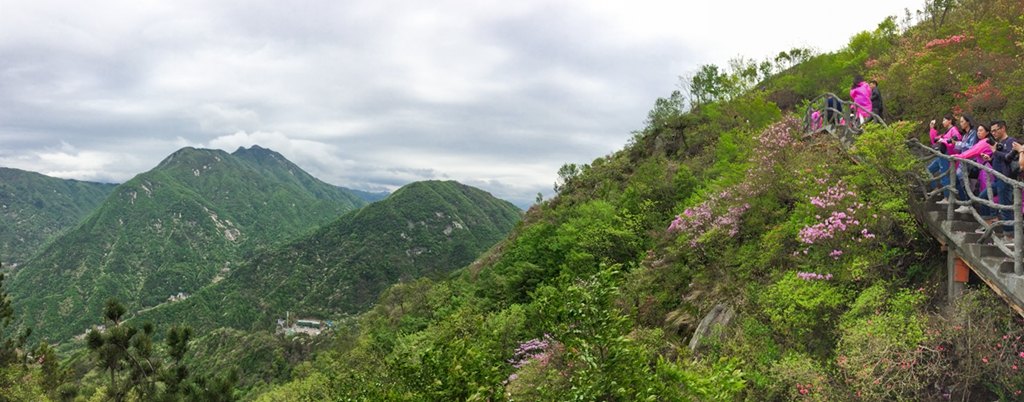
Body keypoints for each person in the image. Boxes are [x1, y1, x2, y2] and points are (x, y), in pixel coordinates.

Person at [950, 123, 992, 216]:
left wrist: (959, 156)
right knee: (984, 192)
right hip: (983, 168)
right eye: (978, 130)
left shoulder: (985, 142)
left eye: (981, 130)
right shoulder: (984, 141)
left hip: (986, 169)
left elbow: (972, 152)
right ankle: (989, 217)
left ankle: (989, 218)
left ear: (987, 132)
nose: (978, 132)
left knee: (986, 193)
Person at [984, 120, 1016, 239]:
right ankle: (990, 223)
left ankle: (1009, 235)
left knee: (1005, 206)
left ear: (1003, 128)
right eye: (992, 131)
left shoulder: (1011, 141)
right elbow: (998, 160)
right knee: (984, 196)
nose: (993, 133)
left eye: (995, 130)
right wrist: (989, 159)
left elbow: (1009, 158)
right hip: (997, 178)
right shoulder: (999, 143)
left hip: (1006, 178)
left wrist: (995, 152)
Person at [928, 115, 962, 202]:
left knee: (945, 176)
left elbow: (956, 141)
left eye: (944, 120)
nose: (943, 122)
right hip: (942, 155)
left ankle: (947, 198)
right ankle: (936, 188)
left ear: (950, 121)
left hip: (947, 156)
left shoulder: (954, 130)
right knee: (929, 169)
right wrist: (932, 129)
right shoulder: (947, 131)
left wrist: (943, 141)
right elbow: (934, 140)